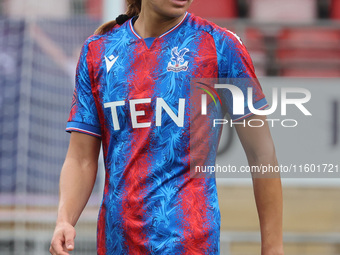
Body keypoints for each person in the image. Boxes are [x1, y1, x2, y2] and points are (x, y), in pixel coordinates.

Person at [49, 0, 283, 254]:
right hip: (117, 244)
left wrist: (272, 248)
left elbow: (262, 154)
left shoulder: (220, 46)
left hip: (191, 245)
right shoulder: (97, 51)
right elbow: (81, 159)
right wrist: (65, 220)